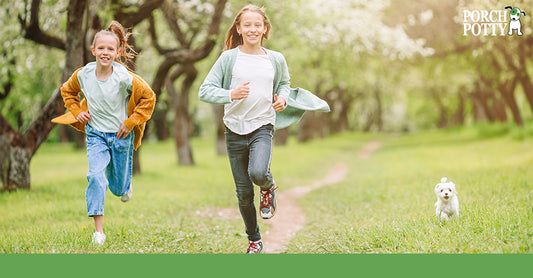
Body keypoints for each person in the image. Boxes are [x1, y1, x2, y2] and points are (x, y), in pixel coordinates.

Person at [199, 4, 329, 254]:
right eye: (247, 24)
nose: (252, 29)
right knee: (244, 193)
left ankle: (268, 187)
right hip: (234, 130)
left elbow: (283, 84)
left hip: (263, 125)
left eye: (257, 24)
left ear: (265, 29)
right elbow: (205, 90)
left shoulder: (275, 59)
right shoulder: (228, 58)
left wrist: (281, 98)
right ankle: (254, 239)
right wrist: (231, 94)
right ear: (238, 29)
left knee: (258, 173)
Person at [52, 21, 156, 245]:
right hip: (96, 134)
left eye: (110, 49)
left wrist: (130, 122)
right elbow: (67, 91)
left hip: (120, 136)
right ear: (93, 50)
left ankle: (125, 185)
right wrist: (77, 110)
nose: (105, 53)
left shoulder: (124, 77)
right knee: (96, 177)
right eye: (101, 48)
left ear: (117, 52)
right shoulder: (83, 74)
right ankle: (98, 232)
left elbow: (149, 97)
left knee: (118, 189)